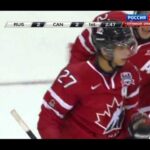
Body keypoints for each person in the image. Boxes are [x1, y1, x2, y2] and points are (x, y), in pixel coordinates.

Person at [37, 25, 142, 139]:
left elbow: (131, 111)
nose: (128, 52)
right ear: (106, 50)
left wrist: (138, 126)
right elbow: (48, 120)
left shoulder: (130, 73)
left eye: (129, 46)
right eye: (122, 48)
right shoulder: (74, 77)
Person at [69, 10, 150, 126]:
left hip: (124, 112)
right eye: (145, 17)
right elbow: (81, 51)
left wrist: (139, 117)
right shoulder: (112, 21)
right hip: (92, 98)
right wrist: (74, 87)